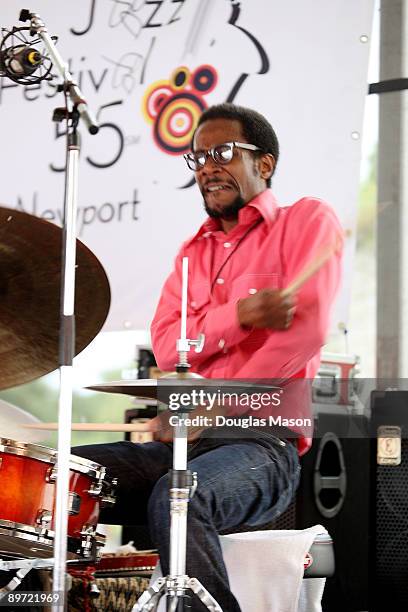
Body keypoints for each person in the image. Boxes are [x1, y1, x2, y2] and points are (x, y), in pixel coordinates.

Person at [73, 103, 343, 611]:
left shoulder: (305, 220)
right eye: (197, 157)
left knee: (181, 497)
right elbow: (173, 345)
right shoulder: (190, 256)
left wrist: (212, 408)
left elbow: (302, 335)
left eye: (221, 153)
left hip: (262, 447)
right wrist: (240, 316)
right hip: (186, 444)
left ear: (264, 164)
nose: (205, 167)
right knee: (66, 475)